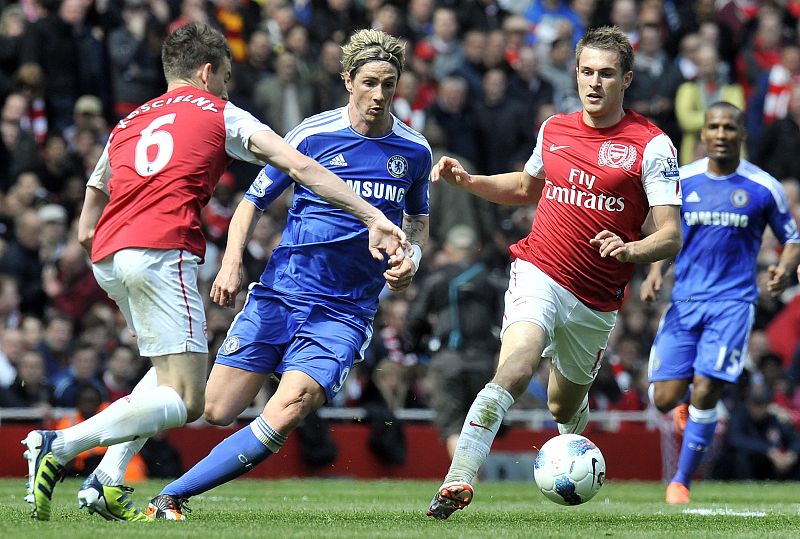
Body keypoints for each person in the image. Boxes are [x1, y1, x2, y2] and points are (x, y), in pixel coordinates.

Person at [22, 22, 408, 522]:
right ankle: (59, 443)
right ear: (208, 72)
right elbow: (302, 169)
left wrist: (88, 239)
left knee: (170, 376)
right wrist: (373, 215)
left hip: (108, 256)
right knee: (187, 398)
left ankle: (108, 479)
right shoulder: (222, 113)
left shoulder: (131, 119)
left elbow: (96, 191)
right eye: (225, 76)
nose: (227, 86)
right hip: (165, 249)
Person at [144, 27, 430, 520]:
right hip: (280, 294)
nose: (379, 95)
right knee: (213, 410)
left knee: (291, 404)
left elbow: (418, 226)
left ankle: (170, 496)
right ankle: (106, 458)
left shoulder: (414, 152)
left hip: (344, 312)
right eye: (369, 82)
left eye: (389, 84)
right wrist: (232, 259)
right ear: (348, 80)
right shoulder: (311, 135)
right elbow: (250, 202)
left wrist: (411, 261)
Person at [426, 25, 683, 520]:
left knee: (564, 408)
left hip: (596, 300)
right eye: (587, 71)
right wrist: (469, 180)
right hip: (538, 270)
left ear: (626, 79)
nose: (594, 82)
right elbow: (527, 187)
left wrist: (630, 249)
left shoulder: (651, 145)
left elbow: (670, 234)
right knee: (517, 364)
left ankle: (572, 438)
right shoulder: (555, 129)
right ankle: (457, 479)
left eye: (607, 74)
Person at [642, 101, 800, 505]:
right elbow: (665, 232)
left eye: (730, 127)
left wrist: (783, 269)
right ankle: (690, 404)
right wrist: (657, 269)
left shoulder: (763, 187)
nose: (722, 134)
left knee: (708, 388)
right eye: (714, 127)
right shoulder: (684, 180)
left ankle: (681, 481)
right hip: (686, 300)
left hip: (733, 303)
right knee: (663, 398)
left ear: (741, 133)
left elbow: (793, 238)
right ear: (704, 134)